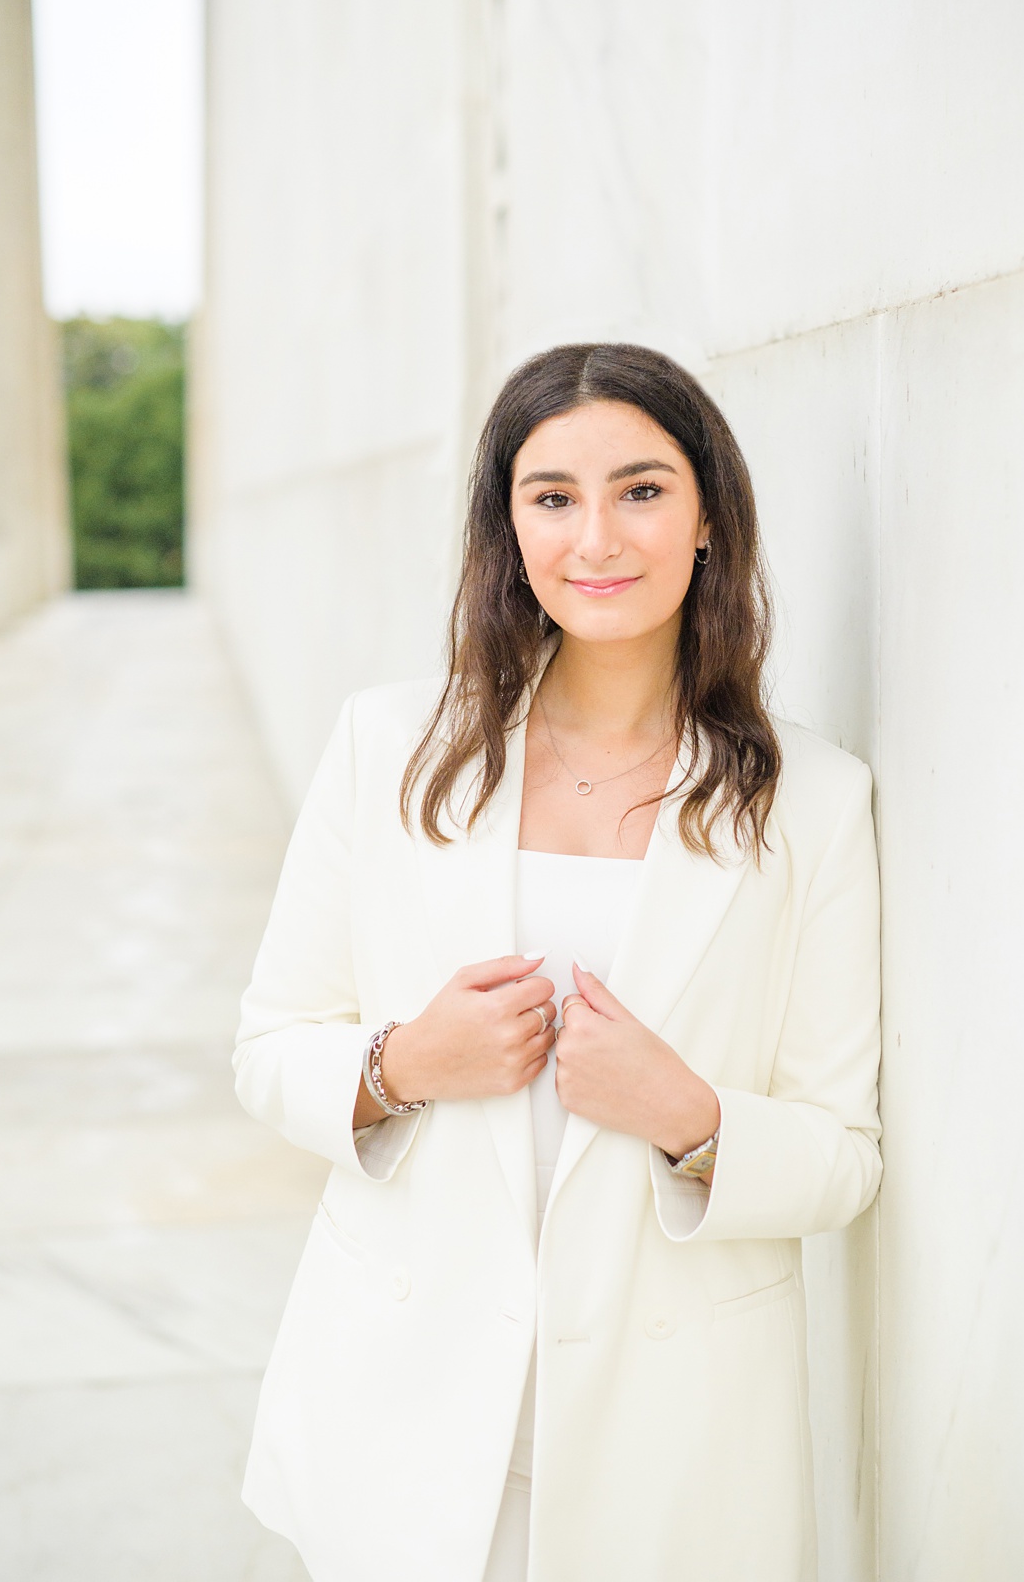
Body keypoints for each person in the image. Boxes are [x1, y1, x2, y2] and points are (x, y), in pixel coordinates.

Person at [233, 343, 882, 1580]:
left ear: (707, 521)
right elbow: (270, 1047)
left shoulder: (814, 802)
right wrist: (406, 1062)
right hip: (407, 1408)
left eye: (641, 489)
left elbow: (845, 1157)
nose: (598, 536)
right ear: (508, 528)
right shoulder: (389, 746)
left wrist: (688, 1117)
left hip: (672, 1440)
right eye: (552, 496)